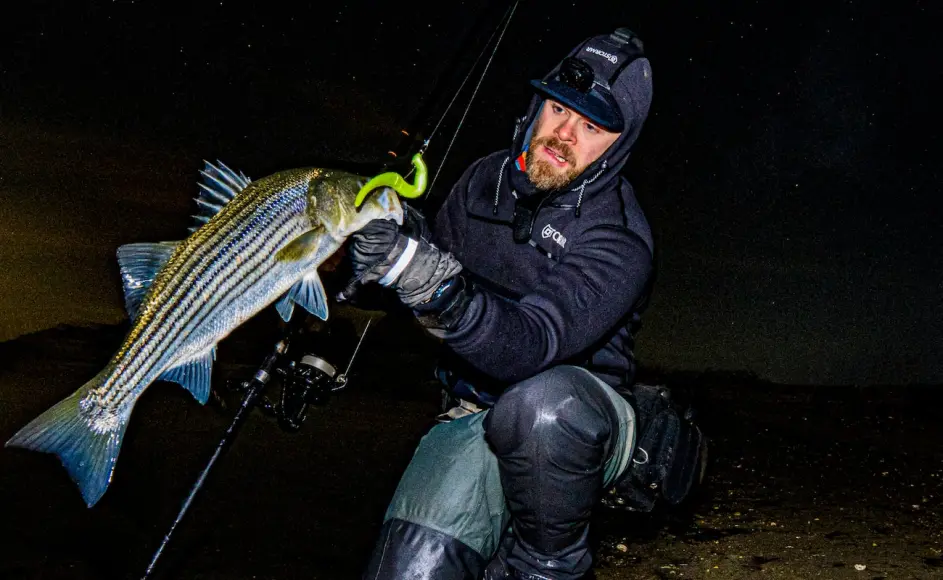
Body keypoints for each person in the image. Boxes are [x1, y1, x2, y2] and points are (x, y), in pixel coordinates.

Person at [342, 28, 694, 580]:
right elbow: (427, 266)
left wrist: (427, 279)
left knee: (542, 406)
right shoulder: (484, 180)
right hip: (474, 414)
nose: (562, 134)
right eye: (558, 108)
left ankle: (549, 565)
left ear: (617, 145)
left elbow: (530, 345)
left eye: (591, 126)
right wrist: (392, 242)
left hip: (582, 420)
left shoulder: (620, 238)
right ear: (537, 104)